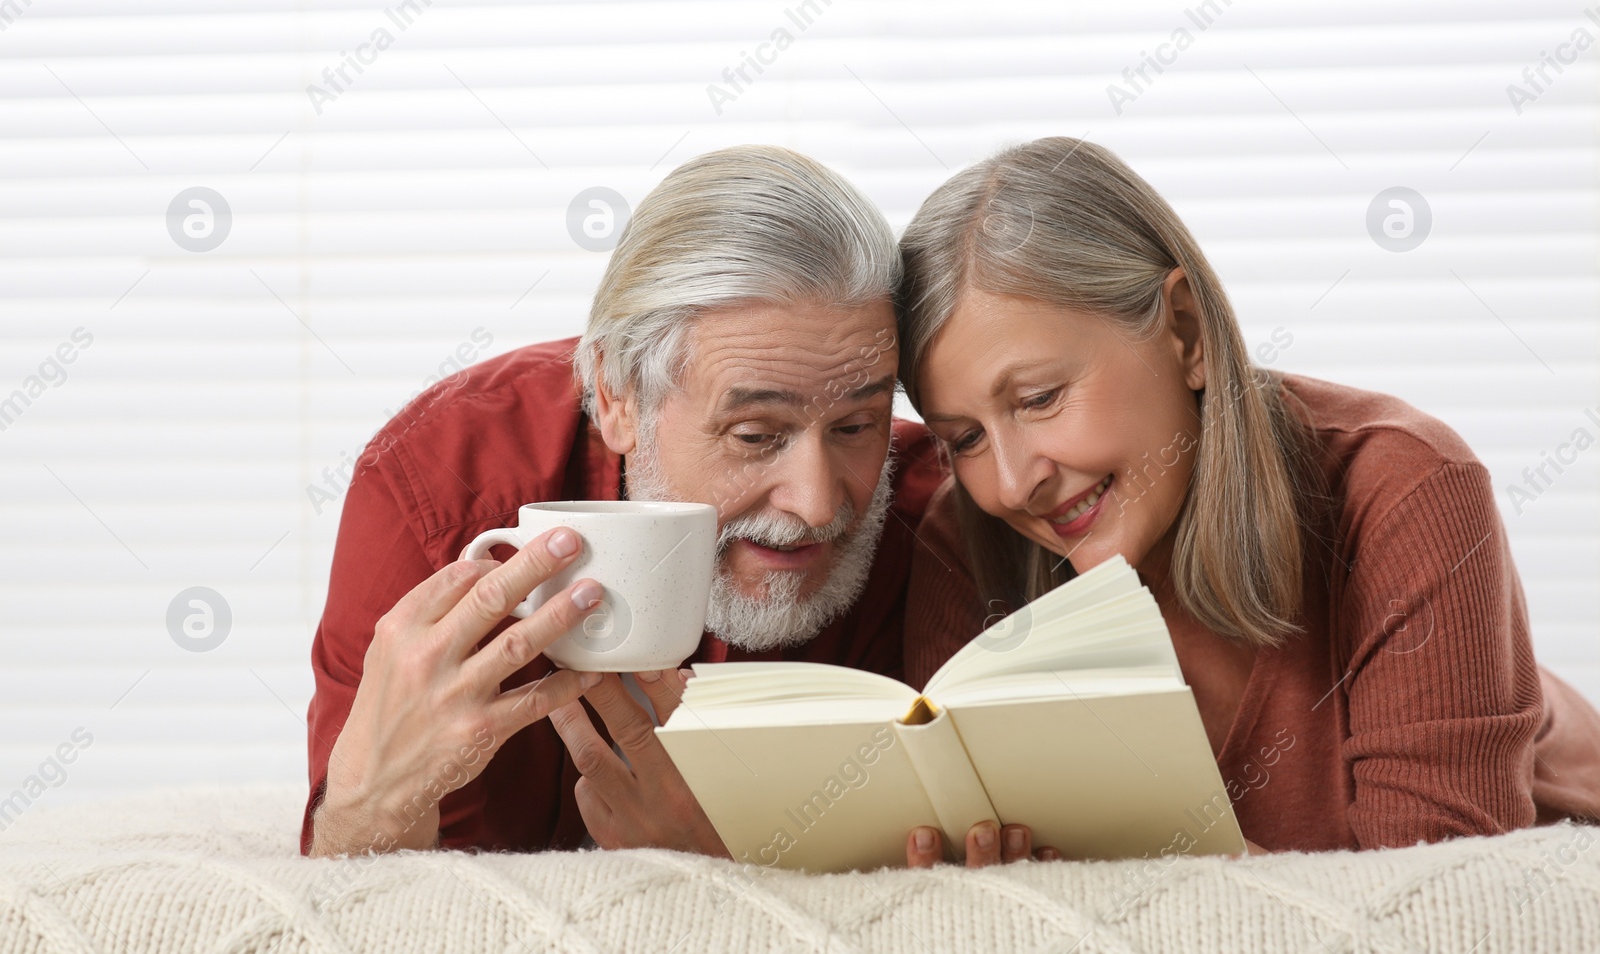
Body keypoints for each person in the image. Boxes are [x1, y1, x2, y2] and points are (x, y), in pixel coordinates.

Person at [894, 136, 1600, 861]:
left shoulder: (1407, 490)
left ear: (1187, 331)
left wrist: (1124, 873)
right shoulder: (965, 537)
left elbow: (1438, 910)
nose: (1012, 483)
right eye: (965, 438)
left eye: (1040, 398)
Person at [301, 145, 958, 858]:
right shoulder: (435, 492)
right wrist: (372, 804)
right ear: (616, 396)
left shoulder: (935, 515)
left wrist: (744, 862)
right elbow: (351, 889)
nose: (816, 500)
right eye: (756, 434)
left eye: (858, 425)